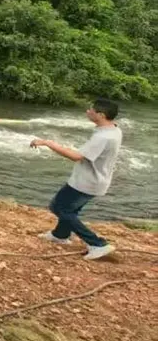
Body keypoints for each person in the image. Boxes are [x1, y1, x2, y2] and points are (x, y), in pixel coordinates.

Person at [30, 97, 122, 260]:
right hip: (95, 180)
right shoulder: (113, 130)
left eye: (91, 109)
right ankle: (60, 235)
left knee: (59, 208)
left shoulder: (103, 137)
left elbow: (76, 156)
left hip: (86, 182)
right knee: (70, 210)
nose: (88, 111)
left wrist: (48, 143)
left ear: (100, 115)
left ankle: (97, 244)